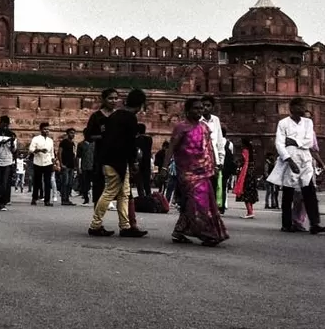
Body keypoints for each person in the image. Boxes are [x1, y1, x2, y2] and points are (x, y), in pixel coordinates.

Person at [161, 95, 229, 246]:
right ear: (187, 110)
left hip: (204, 171)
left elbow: (209, 148)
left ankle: (179, 231)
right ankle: (207, 233)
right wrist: (164, 168)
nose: (200, 111)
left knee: (190, 203)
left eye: (201, 108)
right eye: (196, 108)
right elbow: (171, 147)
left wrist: (216, 165)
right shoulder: (181, 127)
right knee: (199, 202)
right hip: (187, 172)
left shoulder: (204, 127)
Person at [87, 88, 148, 238]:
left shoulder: (115, 116)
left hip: (110, 159)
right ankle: (95, 225)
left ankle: (125, 225)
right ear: (140, 105)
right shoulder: (129, 118)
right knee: (110, 192)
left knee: (123, 194)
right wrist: (134, 161)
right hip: (117, 161)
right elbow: (130, 143)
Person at [271, 98, 325, 234]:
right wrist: (289, 160)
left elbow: (309, 142)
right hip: (290, 158)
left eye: (304, 106)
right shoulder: (283, 123)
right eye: (299, 106)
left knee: (310, 192)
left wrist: (294, 141)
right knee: (288, 193)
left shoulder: (308, 122)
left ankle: (314, 223)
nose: (302, 108)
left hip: (305, 159)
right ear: (292, 108)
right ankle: (286, 223)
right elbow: (280, 143)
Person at [82, 87, 120, 205]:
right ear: (103, 100)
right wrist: (103, 137)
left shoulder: (119, 116)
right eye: (110, 98)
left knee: (121, 189)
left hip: (117, 156)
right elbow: (88, 136)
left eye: (115, 98)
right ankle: (97, 218)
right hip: (100, 156)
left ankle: (124, 220)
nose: (113, 101)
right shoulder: (97, 117)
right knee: (99, 186)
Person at [26, 122, 55, 206]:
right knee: (37, 182)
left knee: (47, 182)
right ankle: (34, 198)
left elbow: (52, 152)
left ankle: (47, 200)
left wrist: (53, 162)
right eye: (45, 129)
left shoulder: (50, 140)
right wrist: (40, 150)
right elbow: (31, 149)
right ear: (41, 130)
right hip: (38, 162)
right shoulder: (36, 139)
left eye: (48, 129)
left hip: (48, 162)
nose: (46, 131)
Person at [233, 138, 261, 219]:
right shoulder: (251, 151)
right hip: (251, 173)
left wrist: (238, 165)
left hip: (246, 174)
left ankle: (250, 212)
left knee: (245, 193)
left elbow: (244, 161)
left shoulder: (245, 151)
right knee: (250, 192)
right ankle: (250, 211)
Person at [56, 127, 78, 206]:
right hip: (65, 165)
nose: (73, 134)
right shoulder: (64, 142)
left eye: (74, 133)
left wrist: (75, 165)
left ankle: (67, 199)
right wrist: (61, 164)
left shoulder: (72, 143)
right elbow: (60, 152)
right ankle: (63, 199)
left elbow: (73, 155)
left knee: (70, 183)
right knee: (65, 182)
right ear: (68, 133)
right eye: (71, 133)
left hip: (71, 166)